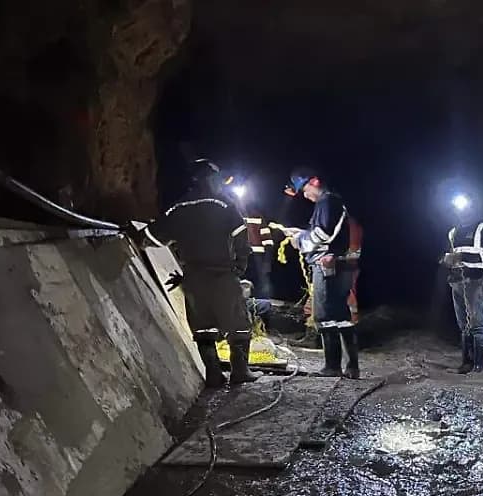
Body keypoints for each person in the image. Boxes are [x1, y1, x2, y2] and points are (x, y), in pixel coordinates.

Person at [147, 158, 260, 388]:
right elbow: (241, 238)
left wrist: (130, 232)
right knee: (237, 324)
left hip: (194, 279)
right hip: (223, 276)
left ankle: (213, 374)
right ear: (211, 178)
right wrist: (239, 267)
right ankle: (240, 371)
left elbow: (152, 237)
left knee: (203, 327)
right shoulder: (225, 205)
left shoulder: (178, 208)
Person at [284, 167, 363, 379]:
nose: (305, 195)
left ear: (315, 182)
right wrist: (303, 232)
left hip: (327, 267)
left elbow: (323, 234)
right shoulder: (333, 202)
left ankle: (332, 367)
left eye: (305, 189)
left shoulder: (326, 201)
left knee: (325, 317)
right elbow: (328, 232)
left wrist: (299, 240)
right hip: (339, 266)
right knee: (341, 316)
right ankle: (352, 367)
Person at [441, 200, 483, 374]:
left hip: (475, 280)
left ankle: (479, 365)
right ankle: (466, 363)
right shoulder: (453, 232)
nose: (463, 212)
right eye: (459, 209)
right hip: (457, 281)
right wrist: (445, 261)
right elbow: (447, 256)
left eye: (467, 208)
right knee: (463, 324)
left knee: (477, 323)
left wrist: (462, 257)